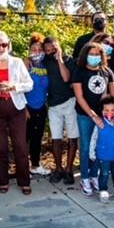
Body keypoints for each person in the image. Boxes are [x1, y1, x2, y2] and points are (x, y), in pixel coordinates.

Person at [0, 31, 34, 195]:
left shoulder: (17, 62)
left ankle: (24, 180)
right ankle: (2, 180)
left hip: (16, 108)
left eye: (3, 44)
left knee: (20, 146)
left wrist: (14, 86)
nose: (0, 48)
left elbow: (29, 84)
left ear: (8, 45)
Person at [72, 42, 114, 196]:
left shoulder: (107, 72)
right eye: (91, 54)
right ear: (85, 55)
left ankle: (94, 175)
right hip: (86, 116)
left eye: (97, 54)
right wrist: (93, 116)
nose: (94, 57)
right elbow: (79, 98)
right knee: (86, 148)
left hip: (105, 116)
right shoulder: (79, 72)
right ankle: (84, 177)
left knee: (99, 147)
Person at [43, 36, 79, 185]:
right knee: (56, 138)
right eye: (47, 50)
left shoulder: (69, 60)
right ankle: (58, 169)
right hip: (53, 104)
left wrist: (60, 60)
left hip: (69, 102)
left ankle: (69, 169)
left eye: (53, 48)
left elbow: (66, 78)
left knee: (72, 137)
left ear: (59, 46)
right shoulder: (45, 62)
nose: (50, 52)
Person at [24, 32, 51, 176]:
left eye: (40, 50)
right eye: (34, 49)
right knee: (23, 139)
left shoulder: (47, 65)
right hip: (26, 107)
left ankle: (35, 165)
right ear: (29, 50)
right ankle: (22, 168)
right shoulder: (25, 64)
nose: (37, 52)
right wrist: (23, 108)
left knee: (37, 138)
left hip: (41, 107)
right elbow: (19, 86)